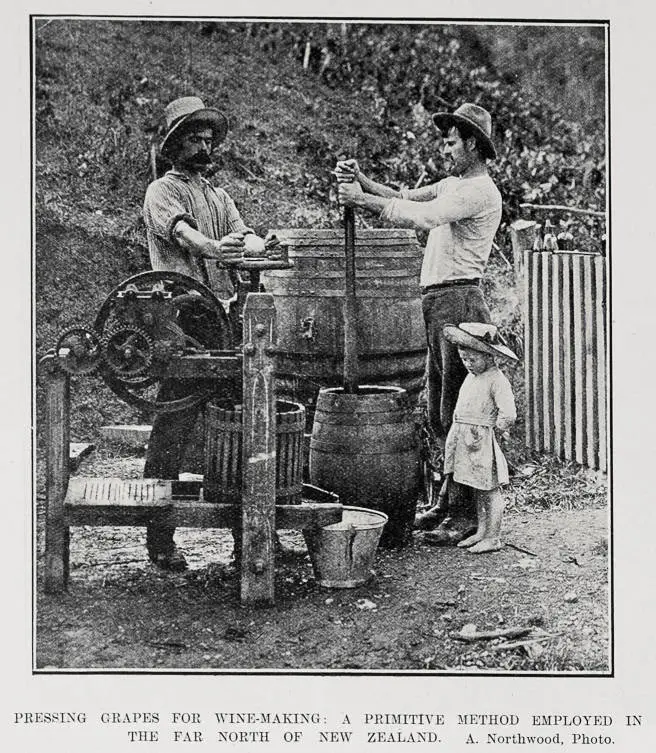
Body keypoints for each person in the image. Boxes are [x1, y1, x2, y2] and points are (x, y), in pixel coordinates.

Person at [335, 102, 502, 543]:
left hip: (460, 303)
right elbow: (407, 198)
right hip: (439, 302)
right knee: (438, 409)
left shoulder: (479, 192)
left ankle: (466, 514)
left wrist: (360, 201)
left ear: (472, 144)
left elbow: (423, 218)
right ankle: (447, 502)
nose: (446, 150)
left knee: (460, 412)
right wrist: (363, 181)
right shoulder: (454, 184)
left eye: (451, 143)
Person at [142, 96, 275, 570]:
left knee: (239, 422)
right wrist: (216, 247)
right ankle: (159, 540)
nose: (204, 145)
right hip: (183, 319)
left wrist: (254, 244)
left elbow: (247, 236)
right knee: (173, 424)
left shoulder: (219, 197)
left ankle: (250, 537)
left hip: (225, 316)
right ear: (175, 145)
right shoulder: (163, 191)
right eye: (194, 138)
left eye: (208, 138)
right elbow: (185, 236)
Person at [426, 322, 517, 553]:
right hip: (466, 439)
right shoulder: (472, 377)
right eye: (464, 359)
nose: (468, 364)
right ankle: (481, 531)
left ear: (488, 357)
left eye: (473, 360)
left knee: (490, 489)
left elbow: (508, 412)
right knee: (477, 487)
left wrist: (494, 428)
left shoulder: (496, 380)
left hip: (481, 440)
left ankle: (493, 536)